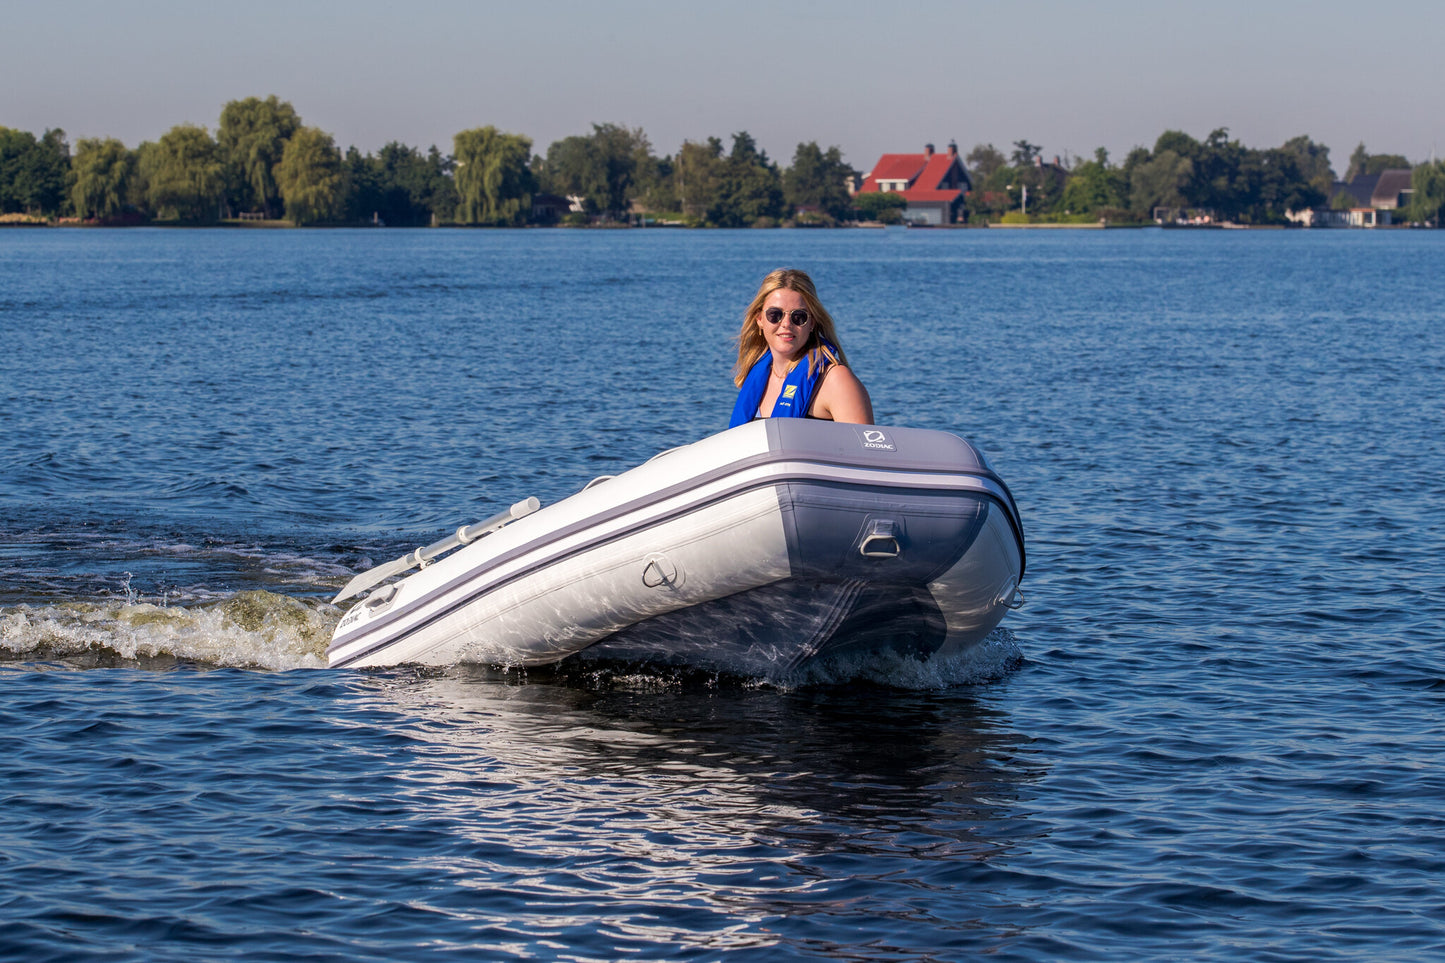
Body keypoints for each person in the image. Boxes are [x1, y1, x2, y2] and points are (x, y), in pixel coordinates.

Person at [727, 269, 873, 427]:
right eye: (775, 314)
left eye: (799, 316)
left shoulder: (836, 380)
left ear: (812, 323)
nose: (786, 324)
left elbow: (864, 443)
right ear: (760, 319)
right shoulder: (755, 376)